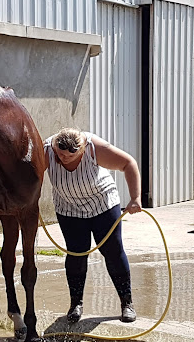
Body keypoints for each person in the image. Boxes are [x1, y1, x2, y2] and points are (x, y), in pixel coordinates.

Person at [44, 127, 142, 323]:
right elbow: (31, 176)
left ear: (81, 150)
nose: (62, 158)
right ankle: (76, 305)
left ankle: (126, 303)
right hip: (69, 208)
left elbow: (128, 163)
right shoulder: (47, 150)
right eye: (60, 153)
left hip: (102, 204)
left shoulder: (94, 148)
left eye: (67, 156)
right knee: (76, 253)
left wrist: (135, 197)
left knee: (112, 251)